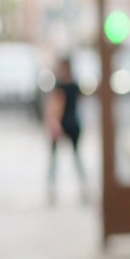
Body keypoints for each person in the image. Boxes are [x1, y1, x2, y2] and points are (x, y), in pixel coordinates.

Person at [44, 57, 88, 205]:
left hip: (62, 124)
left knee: (56, 158)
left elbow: (55, 106)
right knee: (74, 157)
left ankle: (52, 190)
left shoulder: (60, 86)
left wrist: (53, 122)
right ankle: (83, 188)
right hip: (73, 123)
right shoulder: (74, 85)